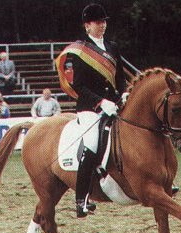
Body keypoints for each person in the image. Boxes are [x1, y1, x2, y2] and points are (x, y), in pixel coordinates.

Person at [66, 4, 127, 218]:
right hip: (90, 109)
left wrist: (124, 94)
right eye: (97, 22)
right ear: (87, 26)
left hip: (114, 104)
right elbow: (78, 86)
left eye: (104, 22)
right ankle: (81, 200)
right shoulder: (80, 51)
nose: (102, 25)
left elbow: (120, 77)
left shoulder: (113, 47)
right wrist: (101, 102)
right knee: (92, 144)